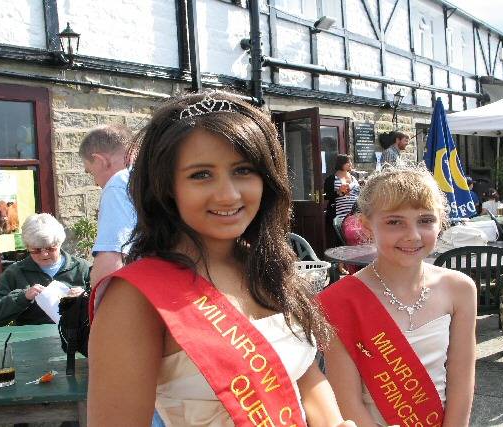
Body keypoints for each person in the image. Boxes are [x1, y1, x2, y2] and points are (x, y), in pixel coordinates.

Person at [87, 92, 353, 427]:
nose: (228, 194)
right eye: (201, 174)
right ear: (167, 186)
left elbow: (305, 374)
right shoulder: (136, 298)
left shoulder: (265, 267)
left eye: (243, 170)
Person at [319, 165, 477, 427]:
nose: (412, 235)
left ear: (440, 222)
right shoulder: (338, 301)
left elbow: (462, 380)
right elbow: (346, 401)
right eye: (394, 222)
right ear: (367, 225)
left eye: (425, 220)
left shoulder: (459, 289)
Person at [0, 213, 90, 326]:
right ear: (27, 247)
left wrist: (86, 298)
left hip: (78, 339)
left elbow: (106, 304)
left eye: (50, 248)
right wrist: (22, 297)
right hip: (32, 340)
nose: (44, 254)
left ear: (60, 243)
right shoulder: (16, 272)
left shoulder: (82, 268)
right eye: (36, 250)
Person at [79, 124, 136, 286]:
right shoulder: (154, 174)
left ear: (100, 160)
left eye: (90, 172)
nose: (96, 183)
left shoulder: (119, 183)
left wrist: (94, 302)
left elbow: (111, 262)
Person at [332, 154, 360, 220]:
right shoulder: (334, 179)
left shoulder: (353, 177)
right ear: (341, 164)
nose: (350, 164)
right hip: (342, 215)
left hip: (356, 214)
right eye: (348, 162)